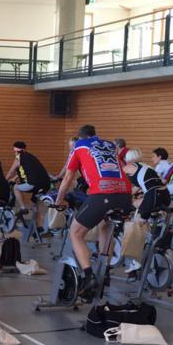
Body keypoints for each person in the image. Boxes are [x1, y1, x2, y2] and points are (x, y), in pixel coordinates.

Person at [54, 125, 132, 298]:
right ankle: (106, 271)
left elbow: (68, 177)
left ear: (80, 136)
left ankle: (89, 276)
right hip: (126, 196)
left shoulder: (79, 146)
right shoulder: (110, 145)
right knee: (105, 226)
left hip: (103, 194)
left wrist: (59, 200)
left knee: (75, 233)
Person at [5, 141, 52, 218]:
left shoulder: (19, 158)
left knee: (15, 188)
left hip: (33, 184)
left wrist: (4, 181)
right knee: (34, 205)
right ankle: (35, 223)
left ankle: (23, 208)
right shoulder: (31, 157)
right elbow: (27, 171)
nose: (16, 154)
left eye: (17, 152)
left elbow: (11, 171)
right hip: (45, 185)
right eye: (15, 152)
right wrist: (15, 178)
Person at [123, 149, 169, 221]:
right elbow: (138, 186)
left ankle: (138, 220)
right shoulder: (147, 166)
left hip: (153, 196)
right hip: (166, 195)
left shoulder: (128, 167)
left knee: (134, 206)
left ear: (128, 157)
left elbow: (118, 179)